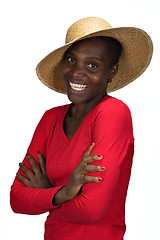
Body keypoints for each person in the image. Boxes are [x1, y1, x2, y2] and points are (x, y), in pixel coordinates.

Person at [10, 17, 153, 240]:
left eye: (92, 65)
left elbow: (91, 209)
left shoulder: (113, 113)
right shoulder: (50, 118)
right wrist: (65, 192)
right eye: (71, 59)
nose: (77, 72)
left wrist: (49, 193)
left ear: (112, 71)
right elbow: (17, 199)